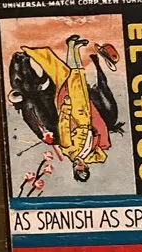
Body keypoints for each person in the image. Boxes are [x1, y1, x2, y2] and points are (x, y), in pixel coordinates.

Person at [9, 35, 121, 182]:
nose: (79, 166)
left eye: (77, 169)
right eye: (82, 168)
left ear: (73, 169)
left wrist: (67, 106)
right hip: (85, 113)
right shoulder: (91, 156)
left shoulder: (68, 148)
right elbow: (101, 155)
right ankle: (74, 47)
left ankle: (71, 46)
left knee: (72, 77)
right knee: (78, 77)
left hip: (72, 109)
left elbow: (64, 125)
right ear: (86, 167)